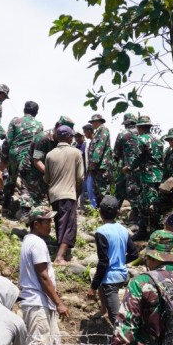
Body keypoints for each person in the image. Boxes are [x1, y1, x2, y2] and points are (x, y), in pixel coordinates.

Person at [19, 207, 70, 345]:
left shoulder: (28, 241)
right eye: (47, 222)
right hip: (37, 302)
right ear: (36, 224)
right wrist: (59, 303)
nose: (50, 225)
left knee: (45, 344)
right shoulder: (37, 243)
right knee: (37, 344)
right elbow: (43, 276)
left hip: (37, 301)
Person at [88, 195, 139, 323]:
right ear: (117, 212)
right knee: (100, 280)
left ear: (100, 212)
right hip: (122, 276)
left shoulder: (101, 232)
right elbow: (134, 253)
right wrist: (121, 260)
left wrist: (92, 287)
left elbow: (103, 262)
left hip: (111, 280)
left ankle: (122, 339)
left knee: (116, 319)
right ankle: (104, 311)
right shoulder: (123, 230)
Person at [43, 125, 84, 264]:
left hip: (54, 194)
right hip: (68, 193)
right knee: (68, 226)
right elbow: (80, 178)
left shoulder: (50, 154)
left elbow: (46, 179)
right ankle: (59, 257)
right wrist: (77, 192)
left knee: (60, 223)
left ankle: (62, 252)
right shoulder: (76, 153)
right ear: (68, 137)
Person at [124, 115, 165, 239]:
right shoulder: (158, 140)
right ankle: (149, 230)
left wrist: (128, 167)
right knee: (154, 203)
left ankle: (153, 232)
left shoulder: (140, 139)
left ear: (139, 127)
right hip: (159, 176)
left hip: (147, 176)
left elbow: (137, 158)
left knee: (146, 204)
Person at [4, 101, 44, 215]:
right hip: (28, 157)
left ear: (24, 110)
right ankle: (25, 212)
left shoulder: (15, 121)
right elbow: (38, 143)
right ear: (36, 112)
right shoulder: (39, 125)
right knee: (25, 183)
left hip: (14, 155)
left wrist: (4, 157)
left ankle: (5, 206)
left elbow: (8, 141)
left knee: (11, 179)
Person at [112, 113, 138, 207]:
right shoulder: (142, 133)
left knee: (120, 189)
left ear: (126, 123)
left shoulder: (123, 134)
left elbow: (116, 154)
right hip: (142, 168)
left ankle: (114, 210)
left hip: (126, 167)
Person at [87, 113, 112, 205]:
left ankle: (107, 210)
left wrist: (93, 163)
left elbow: (99, 148)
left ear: (97, 122)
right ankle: (101, 210)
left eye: (93, 122)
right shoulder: (98, 131)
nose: (92, 124)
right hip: (97, 166)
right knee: (97, 189)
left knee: (103, 190)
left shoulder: (103, 130)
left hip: (101, 166)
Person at [79, 123, 97, 209]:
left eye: (85, 132)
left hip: (94, 171)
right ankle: (93, 208)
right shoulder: (91, 143)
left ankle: (95, 208)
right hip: (90, 171)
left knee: (92, 190)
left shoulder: (95, 142)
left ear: (89, 131)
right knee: (90, 191)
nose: (85, 134)